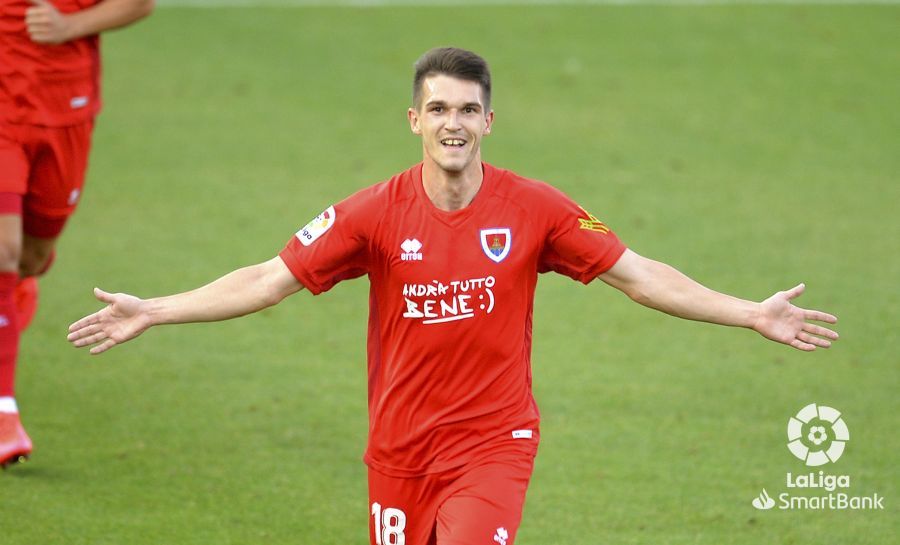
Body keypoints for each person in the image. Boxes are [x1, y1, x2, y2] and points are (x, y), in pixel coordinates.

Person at [66, 48, 838, 544]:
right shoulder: (372, 212)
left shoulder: (535, 208)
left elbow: (638, 275)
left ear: (490, 120)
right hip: (398, 450)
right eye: (438, 108)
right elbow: (268, 279)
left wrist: (749, 310)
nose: (454, 123)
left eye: (468, 109)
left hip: (492, 443)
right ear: (414, 120)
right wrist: (157, 308)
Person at [0, 0, 154, 468]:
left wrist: (72, 25)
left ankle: (17, 290)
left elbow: (139, 4)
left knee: (29, 257)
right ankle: (4, 412)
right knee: (4, 252)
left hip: (65, 109)